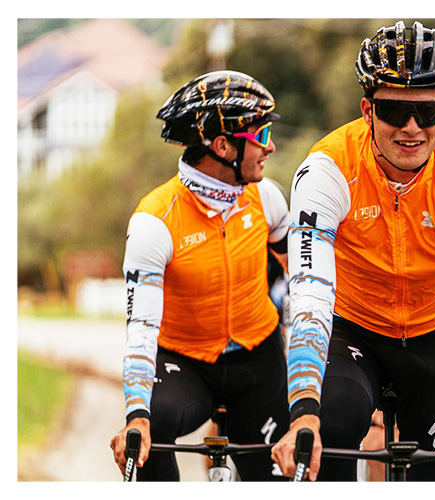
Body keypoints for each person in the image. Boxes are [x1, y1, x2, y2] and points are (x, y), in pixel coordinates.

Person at [268, 21, 435, 482]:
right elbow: (310, 297)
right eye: (394, 109)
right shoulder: (327, 169)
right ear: (367, 110)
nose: (412, 128)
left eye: (427, 113)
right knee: (321, 448)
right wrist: (303, 412)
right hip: (353, 332)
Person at [109, 70, 291, 481]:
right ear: (223, 145)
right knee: (150, 438)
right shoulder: (156, 220)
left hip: (257, 358)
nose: (271, 147)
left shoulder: (266, 197)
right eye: (260, 136)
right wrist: (136, 415)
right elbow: (140, 326)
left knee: (287, 469)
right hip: (184, 363)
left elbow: (302, 278)